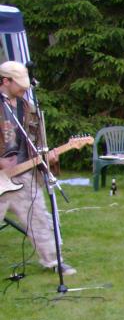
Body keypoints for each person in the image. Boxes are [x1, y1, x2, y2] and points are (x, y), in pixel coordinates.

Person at [0, 61, 76, 275]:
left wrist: (46, 156)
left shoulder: (26, 107)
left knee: (39, 217)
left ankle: (53, 260)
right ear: (5, 81)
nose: (25, 88)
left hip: (23, 174)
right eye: (19, 84)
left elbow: (34, 141)